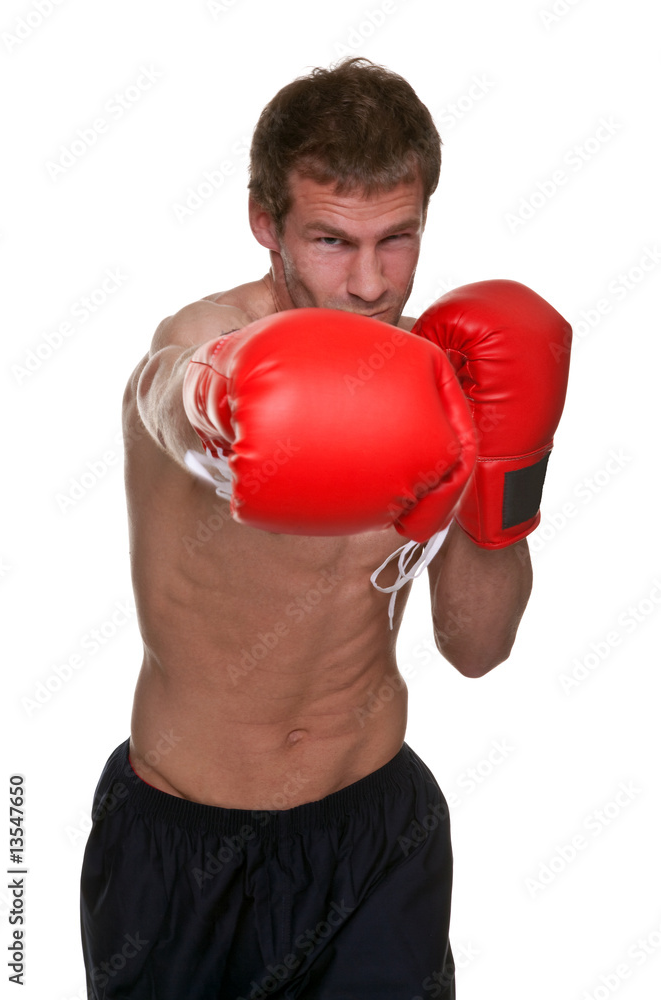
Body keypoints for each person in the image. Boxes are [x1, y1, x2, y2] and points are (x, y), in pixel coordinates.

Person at [80, 57, 571, 998]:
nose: (370, 282)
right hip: (186, 851)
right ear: (266, 224)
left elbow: (476, 648)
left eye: (397, 239)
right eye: (332, 242)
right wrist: (219, 398)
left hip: (377, 835)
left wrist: (505, 473)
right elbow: (164, 391)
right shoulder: (207, 340)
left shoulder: (444, 377)